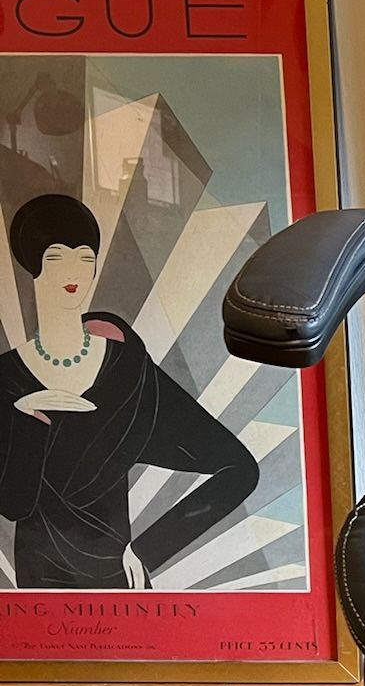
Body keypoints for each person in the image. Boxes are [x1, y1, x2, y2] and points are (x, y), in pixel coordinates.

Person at [0, 194, 259, 589]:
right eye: (56, 257)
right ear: (32, 268)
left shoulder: (126, 373)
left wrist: (151, 548)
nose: (74, 271)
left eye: (85, 257)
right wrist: (27, 416)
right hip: (39, 583)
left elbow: (239, 469)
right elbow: (13, 503)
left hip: (120, 581)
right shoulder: (6, 377)